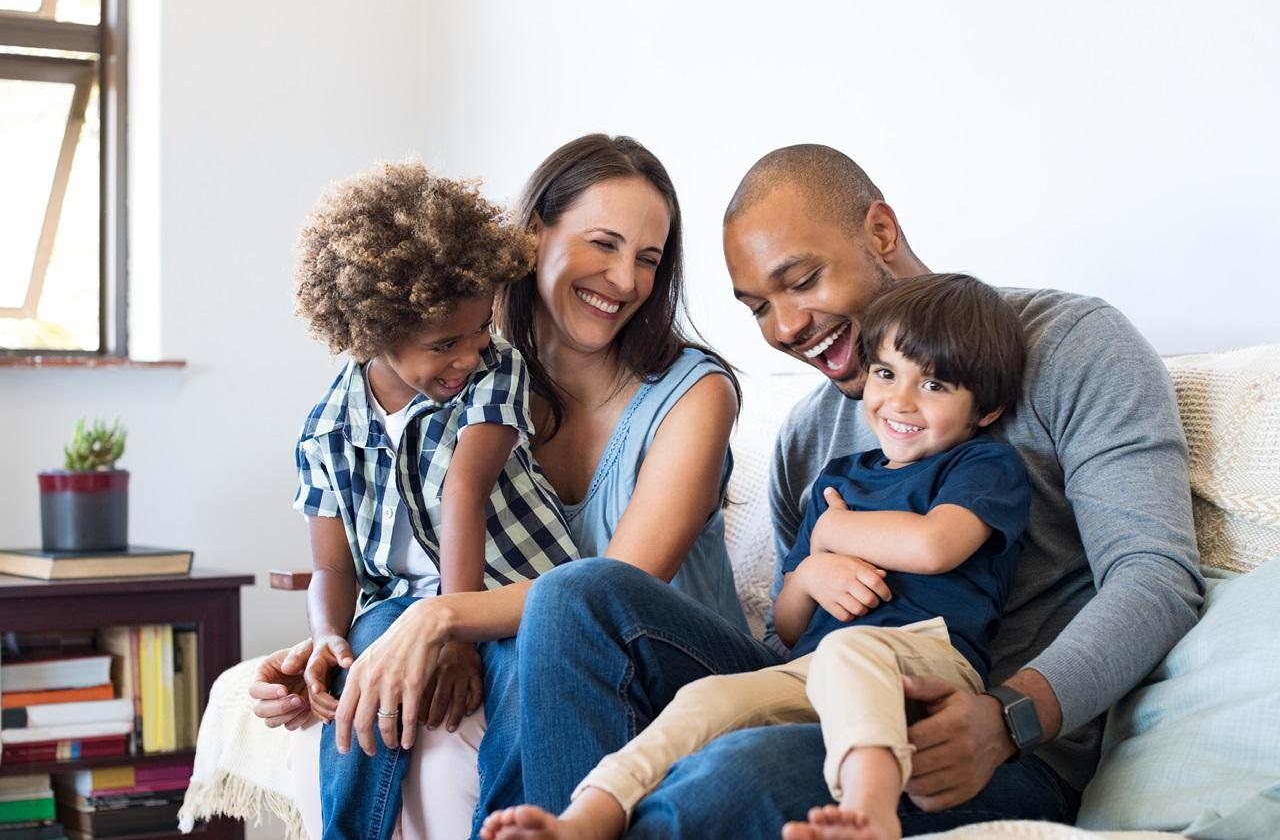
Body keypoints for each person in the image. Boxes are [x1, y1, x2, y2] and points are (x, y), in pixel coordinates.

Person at [494, 143, 1205, 838]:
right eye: (758, 308)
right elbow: (793, 635)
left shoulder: (1072, 345)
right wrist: (810, 574)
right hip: (827, 691)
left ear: (881, 233)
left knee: (729, 776)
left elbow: (1155, 576)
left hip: (984, 740)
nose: (787, 327)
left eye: (801, 281)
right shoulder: (809, 438)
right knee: (574, 594)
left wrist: (1009, 717)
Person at [249, 134, 746, 839]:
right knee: (383, 645)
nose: (627, 280)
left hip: (671, 664)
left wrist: (442, 617)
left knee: (553, 623)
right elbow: (380, 544)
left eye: (648, 258)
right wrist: (334, 649)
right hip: (534, 638)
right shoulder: (466, 374)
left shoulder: (693, 395)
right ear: (534, 232)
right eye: (603, 244)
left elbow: (613, 591)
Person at [480, 273, 1031, 840]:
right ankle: (586, 817)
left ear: (985, 410)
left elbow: (934, 545)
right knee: (707, 698)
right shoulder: (839, 480)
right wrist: (813, 567)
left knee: (849, 649)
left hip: (927, 662)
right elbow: (789, 626)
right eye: (886, 373)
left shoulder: (981, 466)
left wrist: (835, 532)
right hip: (810, 669)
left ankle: (871, 813)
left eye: (935, 386)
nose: (900, 401)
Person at [290, 162, 580, 840]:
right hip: (397, 602)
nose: (468, 354)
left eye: (480, 328)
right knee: (365, 669)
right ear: (372, 331)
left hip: (516, 588)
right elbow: (332, 567)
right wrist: (328, 635)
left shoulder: (494, 368)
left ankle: (509, 828)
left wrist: (454, 627)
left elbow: (464, 491)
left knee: (521, 677)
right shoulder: (326, 428)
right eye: (444, 343)